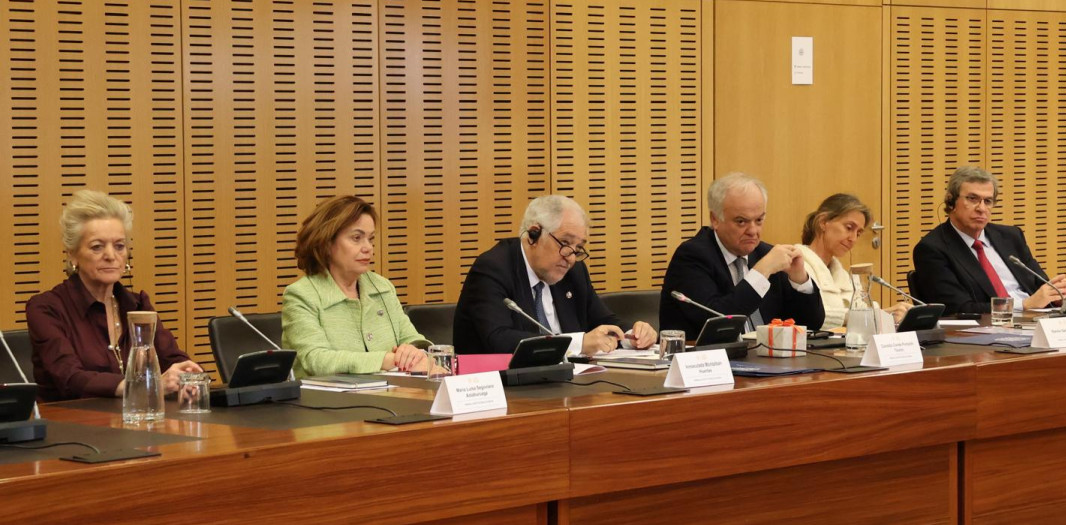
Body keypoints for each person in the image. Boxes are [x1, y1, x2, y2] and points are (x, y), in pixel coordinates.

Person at [26, 190, 203, 401]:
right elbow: (69, 378)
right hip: (70, 426)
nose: (111, 256)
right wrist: (145, 387)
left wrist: (186, 376)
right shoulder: (46, 309)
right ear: (72, 254)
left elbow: (171, 357)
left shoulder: (137, 305)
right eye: (97, 247)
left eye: (119, 246)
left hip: (136, 424)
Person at [454, 195, 657, 355]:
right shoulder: (493, 268)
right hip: (501, 391)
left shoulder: (573, 271)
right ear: (533, 235)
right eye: (565, 243)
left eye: (578, 247)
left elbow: (603, 320)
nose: (570, 257)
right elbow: (498, 339)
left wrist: (632, 336)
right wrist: (578, 343)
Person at [660, 173, 824, 340]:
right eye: (741, 222)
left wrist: (799, 279)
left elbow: (811, 324)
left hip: (766, 361)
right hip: (711, 361)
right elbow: (719, 322)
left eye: (759, 220)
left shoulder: (765, 254)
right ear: (715, 219)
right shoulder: (692, 257)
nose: (753, 231)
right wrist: (761, 272)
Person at [281, 196, 431, 378]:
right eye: (357, 238)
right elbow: (316, 360)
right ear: (326, 242)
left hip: (390, 398)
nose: (368, 248)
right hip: (326, 403)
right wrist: (387, 360)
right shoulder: (302, 295)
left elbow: (414, 340)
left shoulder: (381, 287)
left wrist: (414, 352)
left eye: (370, 239)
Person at [912, 166, 1066, 315]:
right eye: (972, 199)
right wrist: (1023, 305)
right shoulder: (932, 249)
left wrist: (1056, 294)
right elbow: (956, 308)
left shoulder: (1011, 236)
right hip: (983, 333)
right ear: (951, 201)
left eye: (988, 201)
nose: (981, 208)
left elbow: (1038, 285)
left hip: (1034, 320)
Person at [798, 193, 913, 330]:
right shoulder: (797, 267)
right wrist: (880, 314)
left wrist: (890, 315)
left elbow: (864, 310)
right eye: (848, 228)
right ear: (823, 222)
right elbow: (812, 315)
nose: (853, 238)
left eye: (858, 233)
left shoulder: (844, 276)